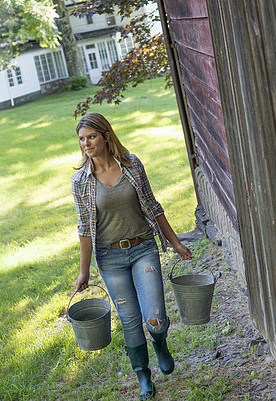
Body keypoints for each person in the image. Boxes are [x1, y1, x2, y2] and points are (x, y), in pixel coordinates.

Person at [71, 113, 193, 399]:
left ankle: (160, 341)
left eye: (91, 136)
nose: (86, 143)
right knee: (129, 318)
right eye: (81, 139)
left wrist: (175, 243)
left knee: (155, 315)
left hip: (143, 249)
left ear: (105, 135)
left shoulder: (131, 165)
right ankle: (143, 376)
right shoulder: (81, 181)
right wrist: (84, 271)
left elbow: (153, 205)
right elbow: (84, 228)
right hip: (109, 258)